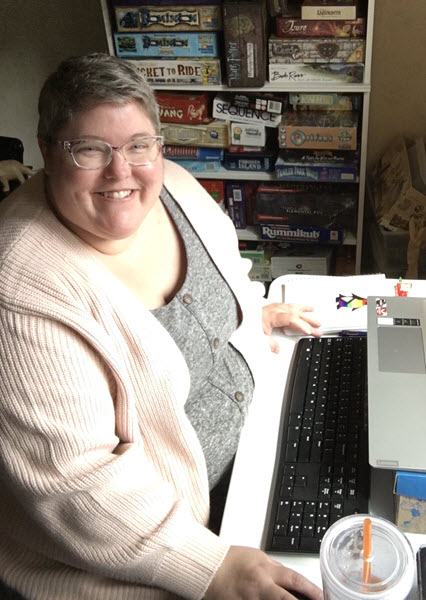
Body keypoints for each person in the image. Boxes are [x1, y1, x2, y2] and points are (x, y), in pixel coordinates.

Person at [0, 53, 323, 600]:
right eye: (90, 149)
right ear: (48, 151)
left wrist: (246, 311)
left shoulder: (172, 184)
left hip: (257, 459)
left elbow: (226, 266)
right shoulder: (21, 288)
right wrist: (213, 568)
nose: (121, 171)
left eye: (138, 144)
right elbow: (77, 488)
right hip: (155, 551)